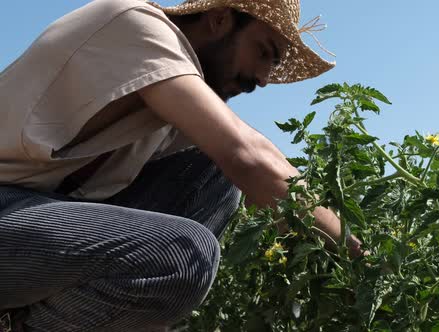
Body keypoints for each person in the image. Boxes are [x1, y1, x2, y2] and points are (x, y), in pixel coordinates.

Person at [0, 0, 362, 331]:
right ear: (220, 19)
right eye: (263, 52)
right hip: (10, 206)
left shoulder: (167, 113)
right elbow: (248, 156)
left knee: (213, 172)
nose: (264, 79)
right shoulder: (135, 24)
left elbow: (259, 185)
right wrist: (361, 256)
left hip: (38, 219)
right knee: (184, 253)